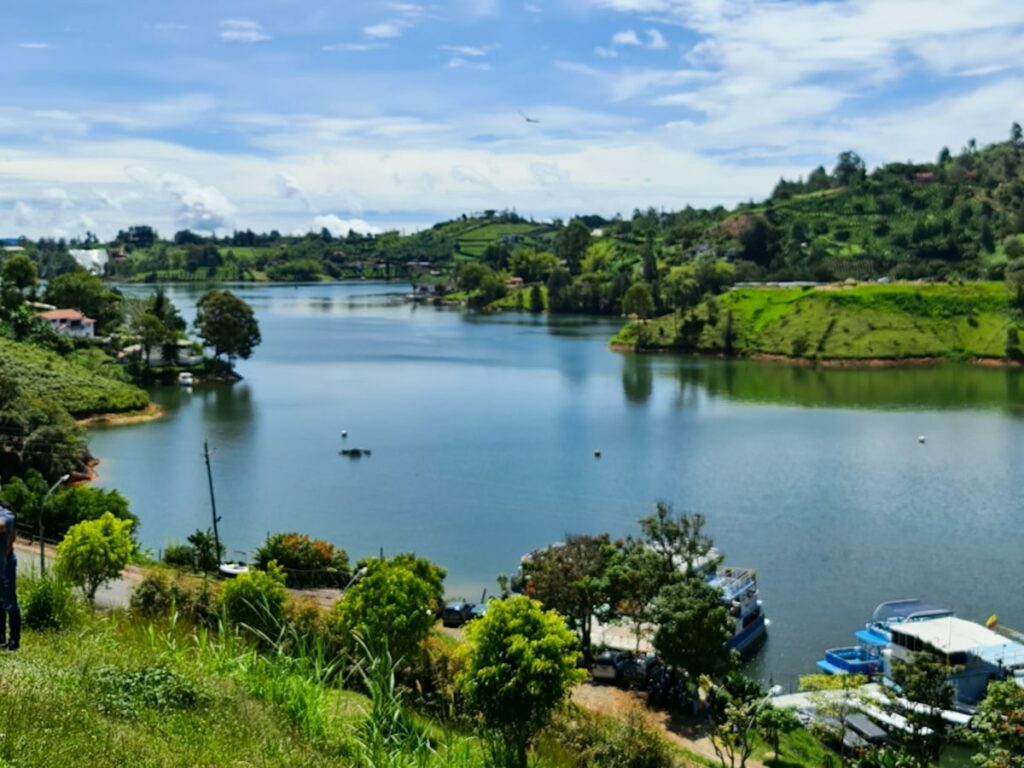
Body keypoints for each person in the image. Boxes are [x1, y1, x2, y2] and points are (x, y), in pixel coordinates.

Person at [0, 505, 19, 651]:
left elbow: (2, 525)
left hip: (6, 563)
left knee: (9, 602)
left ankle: (14, 640)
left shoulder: (6, 513)